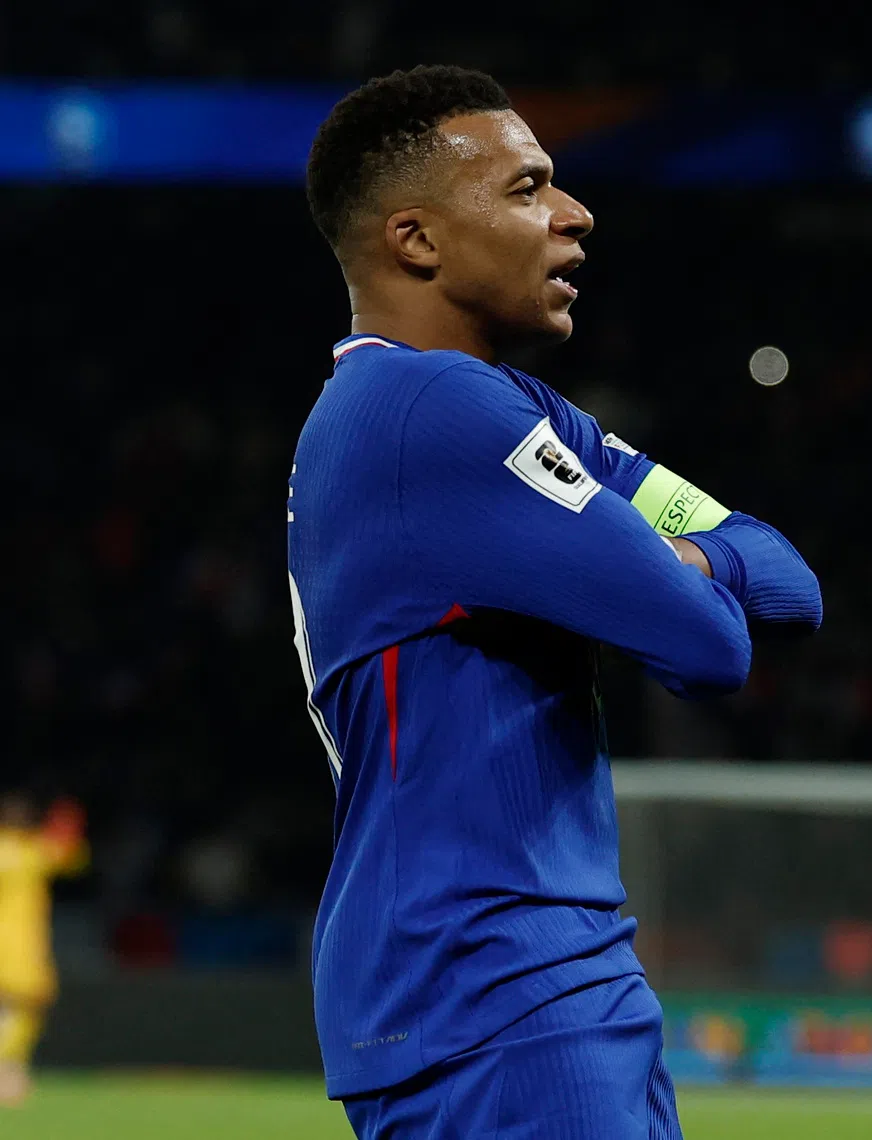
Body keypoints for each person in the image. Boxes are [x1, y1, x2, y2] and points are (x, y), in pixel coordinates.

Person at [291, 64, 822, 1138]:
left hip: (522, 990)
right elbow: (710, 645)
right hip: (494, 992)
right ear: (417, 241)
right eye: (527, 189)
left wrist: (691, 562)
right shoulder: (429, 411)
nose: (574, 216)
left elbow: (787, 576)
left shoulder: (511, 413)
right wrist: (690, 569)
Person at [0, 793, 88, 1106]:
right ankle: (5, 1066)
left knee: (14, 1008)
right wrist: (67, 823)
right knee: (28, 1004)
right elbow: (69, 856)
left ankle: (9, 1071)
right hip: (17, 946)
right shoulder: (27, 851)